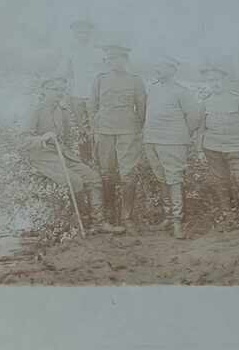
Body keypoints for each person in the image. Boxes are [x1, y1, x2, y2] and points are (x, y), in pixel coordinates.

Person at [20, 77, 122, 235]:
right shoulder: (36, 110)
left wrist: (70, 154)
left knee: (93, 177)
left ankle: (98, 222)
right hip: (42, 157)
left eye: (62, 90)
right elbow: (23, 140)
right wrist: (42, 138)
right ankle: (83, 222)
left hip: (63, 154)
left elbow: (67, 138)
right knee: (74, 181)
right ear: (44, 91)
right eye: (55, 89)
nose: (59, 93)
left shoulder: (63, 111)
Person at [142, 55, 201, 238]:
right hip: (152, 140)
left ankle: (177, 221)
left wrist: (180, 134)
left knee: (174, 179)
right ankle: (168, 216)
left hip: (173, 142)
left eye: (161, 66)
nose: (157, 69)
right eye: (156, 66)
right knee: (162, 178)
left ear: (173, 69)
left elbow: (194, 116)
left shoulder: (182, 91)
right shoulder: (152, 89)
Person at [88, 43, 146, 228]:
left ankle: (127, 217)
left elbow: (142, 107)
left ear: (126, 60)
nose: (115, 62)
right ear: (107, 61)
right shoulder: (100, 79)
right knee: (106, 174)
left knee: (128, 175)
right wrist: (95, 127)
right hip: (104, 131)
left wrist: (137, 128)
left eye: (119, 58)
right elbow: (92, 105)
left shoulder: (135, 80)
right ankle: (109, 215)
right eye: (111, 59)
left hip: (128, 131)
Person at [197, 63, 239, 228]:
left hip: (236, 147)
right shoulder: (205, 102)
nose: (214, 83)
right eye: (210, 80)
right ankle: (228, 216)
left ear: (225, 80)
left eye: (217, 79)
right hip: (213, 148)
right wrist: (199, 150)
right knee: (220, 181)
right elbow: (201, 129)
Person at [56, 18, 104, 164]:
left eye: (85, 32)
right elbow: (65, 74)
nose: (82, 35)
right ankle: (86, 159)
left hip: (94, 96)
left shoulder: (98, 51)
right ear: (74, 34)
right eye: (79, 32)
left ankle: (100, 160)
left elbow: (104, 74)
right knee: (82, 128)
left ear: (90, 33)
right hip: (77, 95)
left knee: (96, 127)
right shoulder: (70, 52)